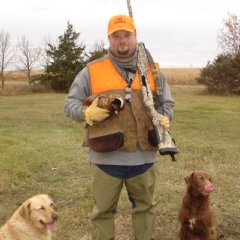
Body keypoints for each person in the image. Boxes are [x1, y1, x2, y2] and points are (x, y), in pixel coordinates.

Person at [64, 14, 175, 240]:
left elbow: (167, 104)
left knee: (145, 209)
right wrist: (87, 113)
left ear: (135, 37)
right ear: (109, 38)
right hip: (106, 158)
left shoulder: (153, 71)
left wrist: (164, 117)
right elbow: (69, 104)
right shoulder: (91, 71)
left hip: (144, 158)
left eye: (127, 35)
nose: (122, 41)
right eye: (116, 36)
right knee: (103, 213)